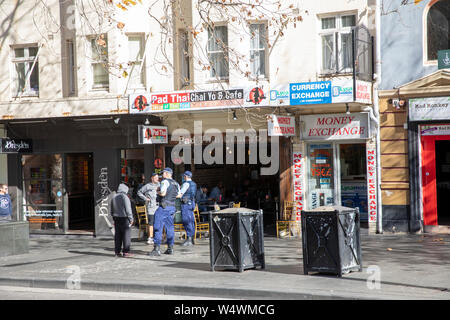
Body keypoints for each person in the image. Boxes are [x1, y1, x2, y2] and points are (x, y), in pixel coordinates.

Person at [149, 168, 180, 256]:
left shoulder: (164, 182)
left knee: (157, 227)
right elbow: (179, 195)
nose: (162, 175)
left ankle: (156, 249)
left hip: (163, 207)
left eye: (163, 173)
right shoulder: (176, 183)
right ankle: (170, 248)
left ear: (166, 174)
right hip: (172, 207)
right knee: (170, 228)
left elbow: (163, 193)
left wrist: (157, 191)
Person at [110, 183, 134, 258]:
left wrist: (113, 216)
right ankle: (126, 252)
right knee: (126, 235)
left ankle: (117, 252)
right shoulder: (124, 197)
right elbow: (128, 209)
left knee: (118, 236)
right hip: (124, 218)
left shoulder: (114, 196)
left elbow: (111, 209)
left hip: (116, 218)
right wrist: (131, 218)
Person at [137, 173, 160, 245]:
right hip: (151, 207)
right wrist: (145, 198)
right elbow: (139, 192)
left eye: (157, 177)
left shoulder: (160, 185)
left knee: (159, 222)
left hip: (159, 207)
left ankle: (159, 237)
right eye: (155, 178)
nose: (157, 179)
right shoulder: (147, 186)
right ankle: (150, 237)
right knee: (151, 223)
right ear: (152, 178)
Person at [177, 171, 197, 247]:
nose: (183, 177)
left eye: (184, 176)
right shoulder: (194, 184)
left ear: (186, 176)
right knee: (191, 221)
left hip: (185, 204)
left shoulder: (186, 184)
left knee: (186, 221)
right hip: (191, 203)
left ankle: (189, 239)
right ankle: (191, 239)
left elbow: (180, 194)